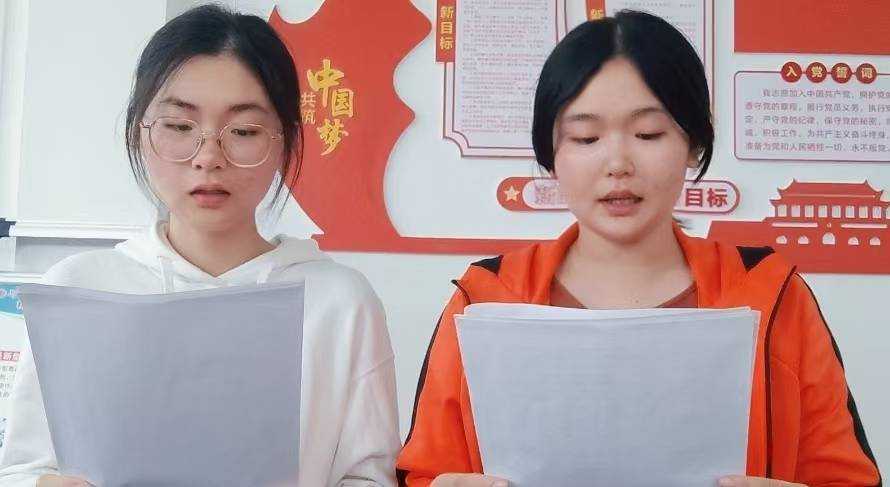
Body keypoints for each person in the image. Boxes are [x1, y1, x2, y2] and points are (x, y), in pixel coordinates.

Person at [395, 10, 881, 487]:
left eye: (648, 133)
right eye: (586, 137)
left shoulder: (773, 297)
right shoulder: (485, 300)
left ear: (693, 143)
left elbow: (846, 476)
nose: (618, 163)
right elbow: (423, 472)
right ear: (552, 154)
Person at [0, 5, 399, 486]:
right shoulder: (79, 291)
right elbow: (22, 468)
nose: (209, 157)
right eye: (179, 126)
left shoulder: (339, 301)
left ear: (285, 141)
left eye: (244, 132)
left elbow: (369, 475)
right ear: (139, 132)